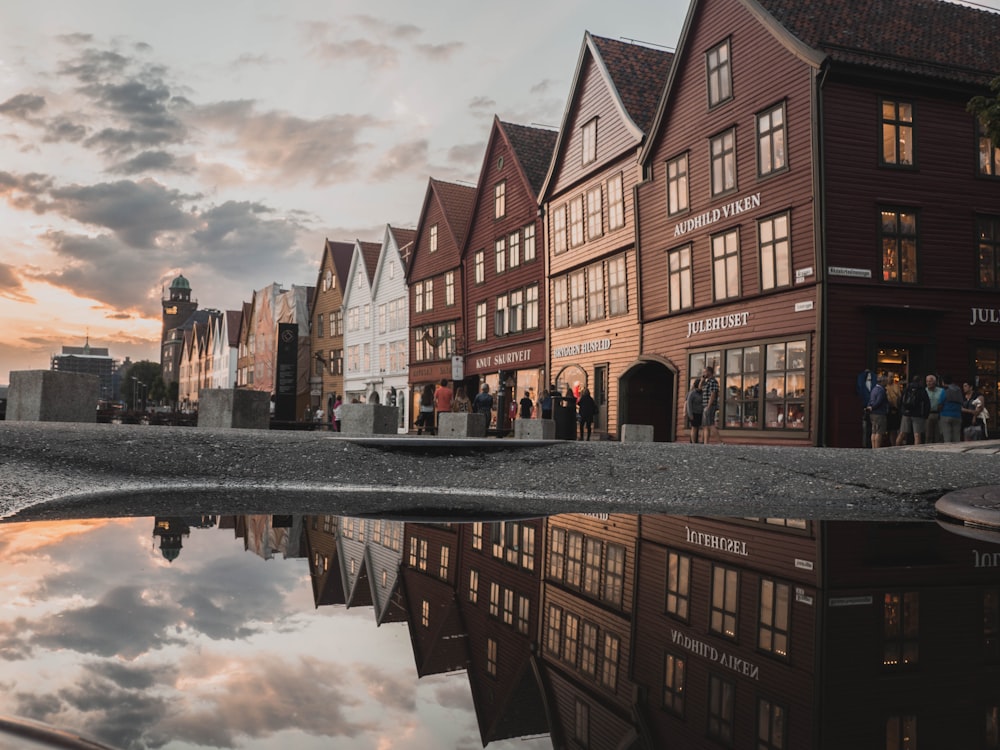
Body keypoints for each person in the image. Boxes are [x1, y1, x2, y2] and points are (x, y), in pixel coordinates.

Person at [895, 375, 930, 446]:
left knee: (902, 433)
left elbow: (901, 400)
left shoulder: (907, 388)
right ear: (920, 381)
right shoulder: (922, 390)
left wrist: (902, 411)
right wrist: (925, 415)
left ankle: (895, 448)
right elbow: (927, 403)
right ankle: (916, 452)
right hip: (917, 414)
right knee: (917, 435)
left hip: (906, 413)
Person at [700, 366, 723, 444]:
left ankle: (720, 442)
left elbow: (713, 394)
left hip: (710, 405)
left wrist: (708, 406)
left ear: (709, 372)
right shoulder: (707, 381)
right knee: (705, 425)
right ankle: (706, 443)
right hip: (705, 405)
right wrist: (702, 379)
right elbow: (700, 387)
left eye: (705, 372)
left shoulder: (713, 381)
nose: (704, 373)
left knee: (710, 424)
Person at [865, 374, 889, 448]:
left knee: (874, 431)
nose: (886, 383)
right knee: (879, 432)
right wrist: (873, 407)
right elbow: (879, 401)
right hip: (879, 413)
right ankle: (877, 448)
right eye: (886, 381)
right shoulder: (881, 390)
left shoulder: (874, 389)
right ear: (882, 382)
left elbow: (871, 400)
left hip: (873, 414)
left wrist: (870, 407)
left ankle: (873, 447)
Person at [939, 374, 963, 443]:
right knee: (956, 437)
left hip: (946, 414)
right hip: (957, 415)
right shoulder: (958, 390)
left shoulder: (944, 390)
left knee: (947, 437)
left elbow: (941, 402)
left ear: (943, 382)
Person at [924, 374, 944, 443]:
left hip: (939, 414)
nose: (928, 383)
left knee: (938, 434)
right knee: (928, 434)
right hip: (928, 414)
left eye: (930, 381)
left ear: (935, 382)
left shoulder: (941, 391)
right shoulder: (924, 391)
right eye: (927, 381)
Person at [885, 375, 903, 446]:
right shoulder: (884, 387)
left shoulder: (896, 386)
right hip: (886, 410)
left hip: (895, 410)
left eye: (892, 377)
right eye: (890, 376)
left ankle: (894, 445)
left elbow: (899, 397)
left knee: (894, 429)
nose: (891, 378)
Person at [684, 377, 703, 444]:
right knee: (694, 427)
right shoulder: (692, 393)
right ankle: (693, 442)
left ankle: (699, 440)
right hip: (693, 413)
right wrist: (690, 414)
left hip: (700, 412)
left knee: (699, 427)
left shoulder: (702, 393)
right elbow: (688, 403)